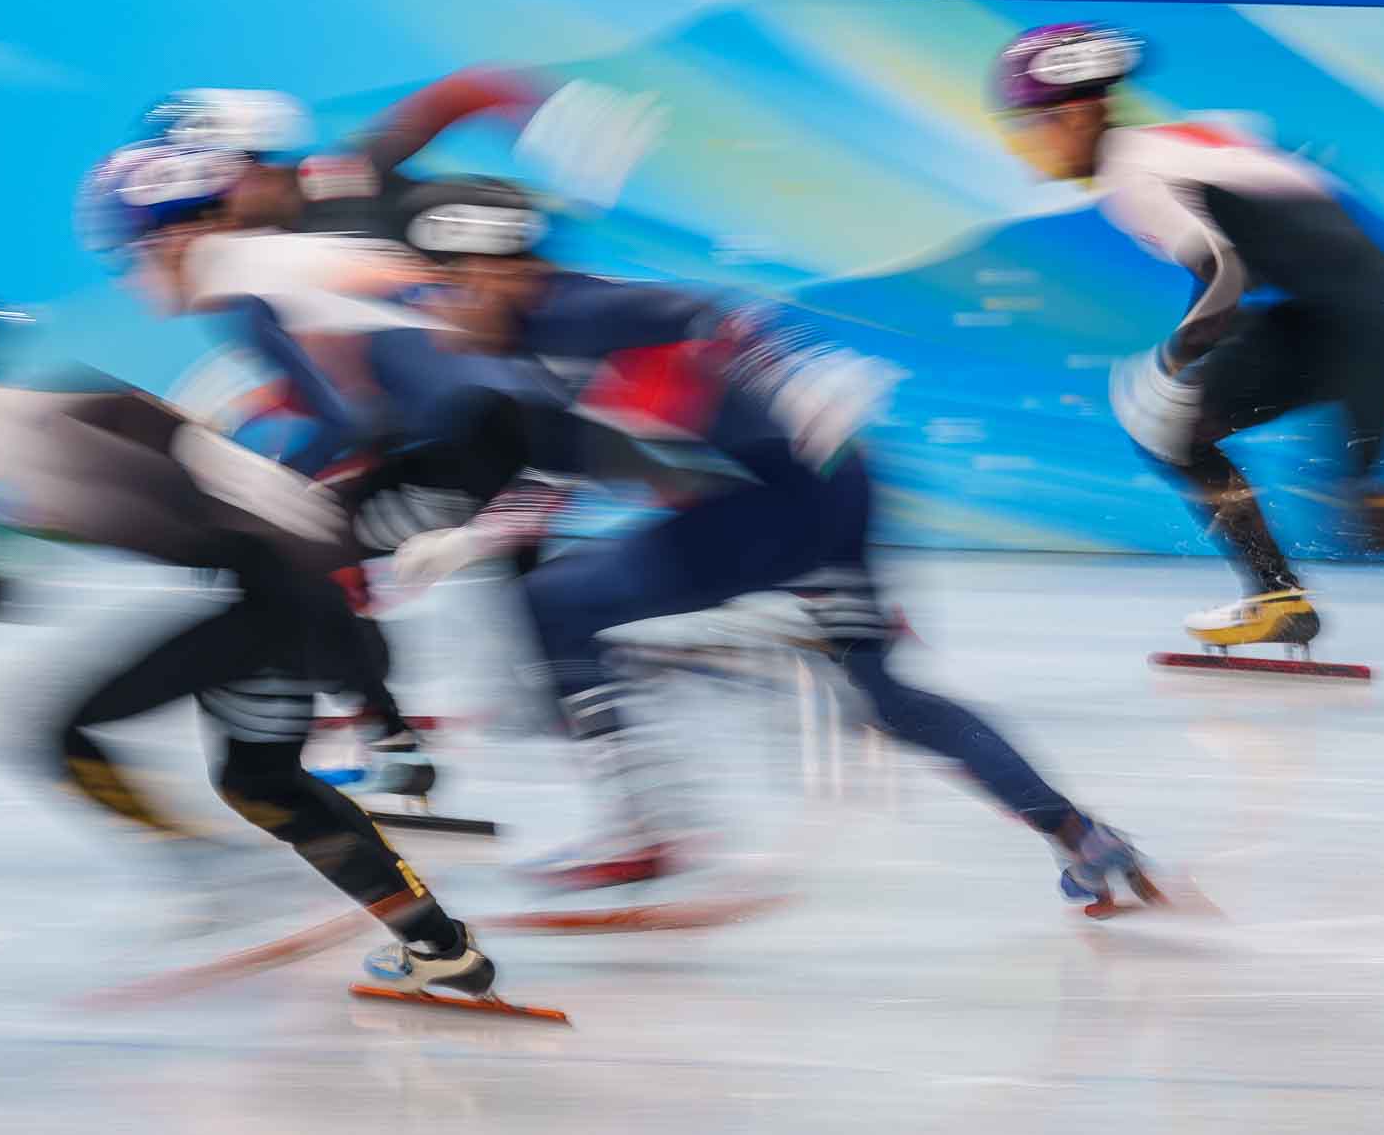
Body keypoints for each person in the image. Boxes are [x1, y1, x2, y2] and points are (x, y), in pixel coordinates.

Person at [367, 181, 1163, 915]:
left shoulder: (574, 314)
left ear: (503, 272)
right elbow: (560, 473)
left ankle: (645, 828)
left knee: (555, 603)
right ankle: (1080, 835)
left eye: (446, 284)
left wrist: (792, 375)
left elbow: (714, 316)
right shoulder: (535, 343)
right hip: (828, 486)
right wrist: (472, 538)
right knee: (883, 693)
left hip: (792, 496)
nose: (438, 310)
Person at [0, 283, 499, 1001]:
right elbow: (25, 582)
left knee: (57, 728)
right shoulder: (14, 435)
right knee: (262, 782)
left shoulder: (34, 446)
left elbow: (256, 532)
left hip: (285, 589)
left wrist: (371, 703)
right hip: (279, 590)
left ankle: (222, 870)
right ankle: (442, 951)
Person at [990, 22, 1384, 651]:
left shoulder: (1134, 176)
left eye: (1028, 126)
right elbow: (1278, 228)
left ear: (1074, 116)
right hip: (1358, 308)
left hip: (1347, 317)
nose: (1026, 146)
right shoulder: (1172, 144)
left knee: (1172, 425)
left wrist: (1171, 359)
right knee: (1353, 519)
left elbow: (1224, 275)